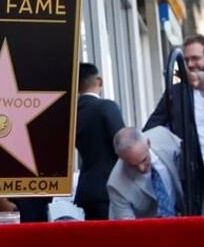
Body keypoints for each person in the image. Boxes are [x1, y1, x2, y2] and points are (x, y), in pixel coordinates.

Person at [144, 34, 204, 215]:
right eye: (186, 59)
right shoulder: (176, 91)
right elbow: (154, 123)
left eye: (196, 58)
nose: (190, 64)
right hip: (192, 169)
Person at [74, 62, 125, 220]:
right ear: (100, 81)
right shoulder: (106, 107)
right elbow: (123, 144)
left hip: (88, 188)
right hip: (112, 185)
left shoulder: (71, 113)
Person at [107, 127, 183, 219]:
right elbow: (127, 229)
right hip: (149, 229)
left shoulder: (165, 137)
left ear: (148, 143)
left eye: (144, 160)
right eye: (132, 165)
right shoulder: (116, 185)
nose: (141, 168)